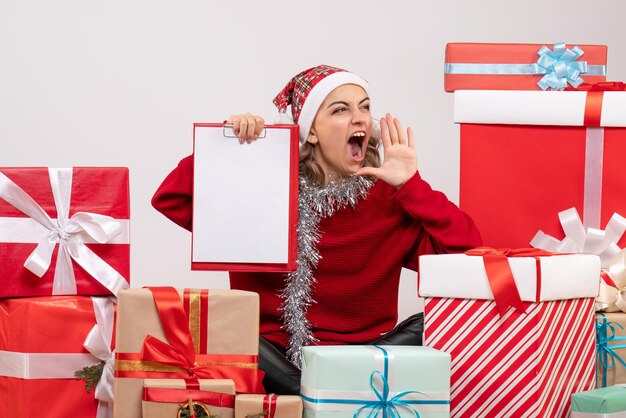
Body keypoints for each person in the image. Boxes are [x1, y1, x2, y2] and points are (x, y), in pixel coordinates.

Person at [152, 64, 482, 394]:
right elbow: (170, 198)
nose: (360, 118)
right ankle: (326, 395)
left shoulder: (389, 198)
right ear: (311, 131)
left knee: (441, 321)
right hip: (273, 359)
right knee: (224, 330)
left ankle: (319, 394)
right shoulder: (263, 188)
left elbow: (468, 256)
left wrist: (411, 185)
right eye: (341, 110)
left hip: (363, 356)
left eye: (365, 107)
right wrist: (226, 148)